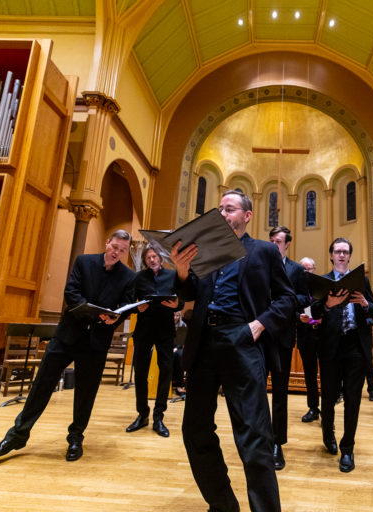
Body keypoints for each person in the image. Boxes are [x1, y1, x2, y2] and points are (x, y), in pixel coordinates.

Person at [170, 189, 295, 512]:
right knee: (195, 430)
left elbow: (286, 299)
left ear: (247, 216)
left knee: (254, 435)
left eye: (230, 208)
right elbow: (190, 292)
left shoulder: (264, 251)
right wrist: (182, 269)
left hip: (241, 339)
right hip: (203, 342)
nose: (223, 213)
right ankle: (223, 503)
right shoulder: (207, 250)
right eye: (220, 208)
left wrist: (258, 325)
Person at [0, 230, 136, 462]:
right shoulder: (84, 262)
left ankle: (75, 437)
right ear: (107, 243)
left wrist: (116, 317)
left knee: (86, 393)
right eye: (115, 247)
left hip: (95, 342)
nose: (117, 253)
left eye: (123, 250)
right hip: (67, 335)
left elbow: (125, 306)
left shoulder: (128, 276)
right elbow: (71, 292)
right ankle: (17, 435)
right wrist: (92, 312)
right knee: (42, 384)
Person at [311, 238, 373, 473]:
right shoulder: (324, 281)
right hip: (330, 346)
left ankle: (347, 447)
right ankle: (328, 434)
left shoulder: (362, 280)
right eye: (337, 251)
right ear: (331, 255)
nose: (341, 255)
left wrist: (366, 304)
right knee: (328, 397)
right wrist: (328, 304)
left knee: (353, 399)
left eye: (345, 252)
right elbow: (315, 311)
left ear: (350, 256)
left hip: (355, 346)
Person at [125, 244, 182, 438]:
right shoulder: (139, 277)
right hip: (144, 329)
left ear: (161, 258)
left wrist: (177, 305)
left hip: (165, 329)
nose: (151, 259)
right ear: (145, 260)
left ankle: (159, 417)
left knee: (165, 371)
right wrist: (136, 308)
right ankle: (142, 414)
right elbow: (130, 302)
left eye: (154, 256)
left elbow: (180, 301)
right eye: (148, 257)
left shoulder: (172, 276)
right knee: (140, 372)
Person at [267, 225, 310, 470]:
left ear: (287, 244)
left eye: (279, 241)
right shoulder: (260, 264)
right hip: (260, 336)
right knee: (256, 391)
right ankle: (260, 438)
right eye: (271, 240)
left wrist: (285, 300)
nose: (274, 244)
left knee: (280, 393)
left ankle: (277, 443)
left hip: (283, 336)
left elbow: (305, 298)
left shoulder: (296, 270)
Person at [297, 257, 321, 423]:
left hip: (323, 335)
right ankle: (313, 408)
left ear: (314, 269)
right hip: (306, 335)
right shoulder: (296, 289)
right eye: (303, 269)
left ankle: (328, 407)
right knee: (310, 375)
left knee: (327, 373)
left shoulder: (322, 288)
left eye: (309, 269)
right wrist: (298, 317)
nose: (306, 272)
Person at [171, 310, 187, 396]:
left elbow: (181, 342)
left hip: (178, 347)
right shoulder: (167, 325)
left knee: (180, 355)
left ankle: (179, 386)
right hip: (167, 347)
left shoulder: (183, 325)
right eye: (174, 315)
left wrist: (175, 349)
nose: (175, 318)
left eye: (177, 316)